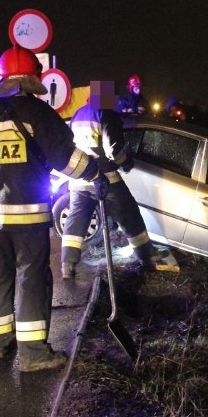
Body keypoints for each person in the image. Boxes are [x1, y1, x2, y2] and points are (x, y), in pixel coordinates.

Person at [0, 45, 103, 372]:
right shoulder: (37, 112)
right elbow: (67, 159)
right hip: (29, 215)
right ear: (32, 79)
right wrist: (95, 171)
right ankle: (34, 354)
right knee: (33, 278)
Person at [61, 81, 160, 282]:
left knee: (76, 220)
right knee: (129, 214)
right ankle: (147, 259)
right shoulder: (106, 114)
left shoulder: (79, 114)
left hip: (80, 178)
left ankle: (67, 265)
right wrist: (126, 163)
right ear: (107, 98)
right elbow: (113, 150)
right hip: (107, 178)